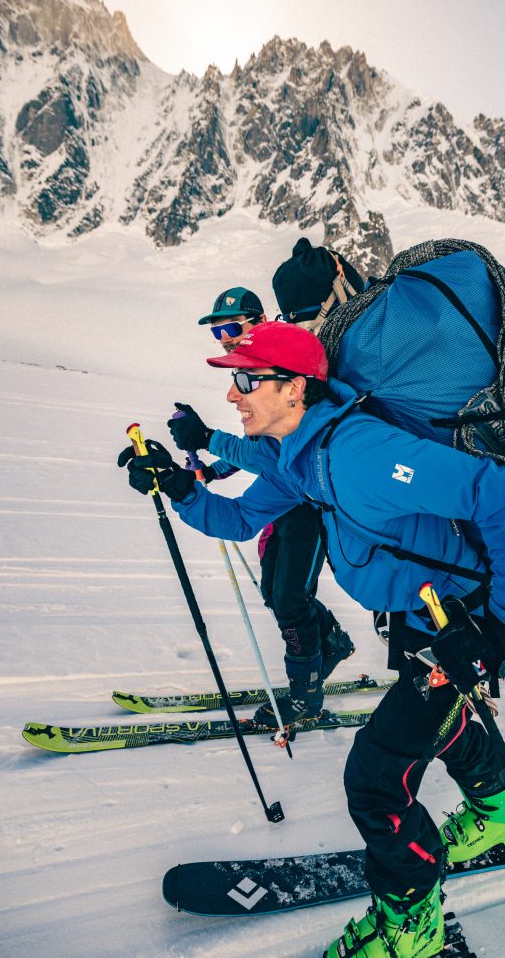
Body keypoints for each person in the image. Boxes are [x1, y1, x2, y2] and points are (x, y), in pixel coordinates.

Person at [119, 321, 505, 958]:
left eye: (245, 380)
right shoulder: (301, 459)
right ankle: (500, 814)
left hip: (460, 627)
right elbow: (237, 518)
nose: (234, 395)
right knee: (443, 720)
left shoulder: (357, 454)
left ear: (295, 389)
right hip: (418, 616)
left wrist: (499, 630)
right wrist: (180, 486)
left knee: (374, 780)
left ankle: (413, 931)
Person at [169, 285, 355, 727]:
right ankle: (328, 643)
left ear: (259, 321)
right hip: (283, 493)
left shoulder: (284, 363)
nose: (227, 338)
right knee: (276, 592)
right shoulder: (256, 374)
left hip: (308, 497)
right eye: (218, 333)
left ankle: (306, 692)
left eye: (233, 327)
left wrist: (209, 441)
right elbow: (261, 447)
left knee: (290, 597)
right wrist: (212, 470)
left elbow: (279, 454)